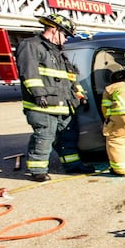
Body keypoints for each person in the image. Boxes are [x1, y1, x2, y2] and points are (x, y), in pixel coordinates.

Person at [16, 13, 94, 182]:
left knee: (68, 137)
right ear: (54, 29)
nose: (66, 40)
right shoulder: (31, 46)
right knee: (44, 136)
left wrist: (80, 95)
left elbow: (71, 78)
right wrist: (38, 94)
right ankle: (38, 170)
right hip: (43, 106)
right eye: (65, 35)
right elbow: (29, 73)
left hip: (64, 105)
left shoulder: (58, 53)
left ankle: (72, 165)